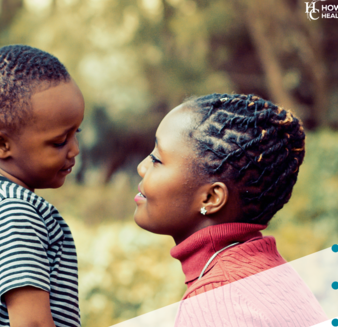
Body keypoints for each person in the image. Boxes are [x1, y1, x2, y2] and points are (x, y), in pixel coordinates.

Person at [134, 93, 327, 326]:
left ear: (211, 198)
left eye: (157, 159)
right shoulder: (268, 273)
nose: (142, 167)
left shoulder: (217, 301)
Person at [0, 45, 83, 327]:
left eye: (75, 133)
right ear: (0, 145)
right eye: (60, 141)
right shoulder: (12, 211)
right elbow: (32, 323)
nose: (75, 150)